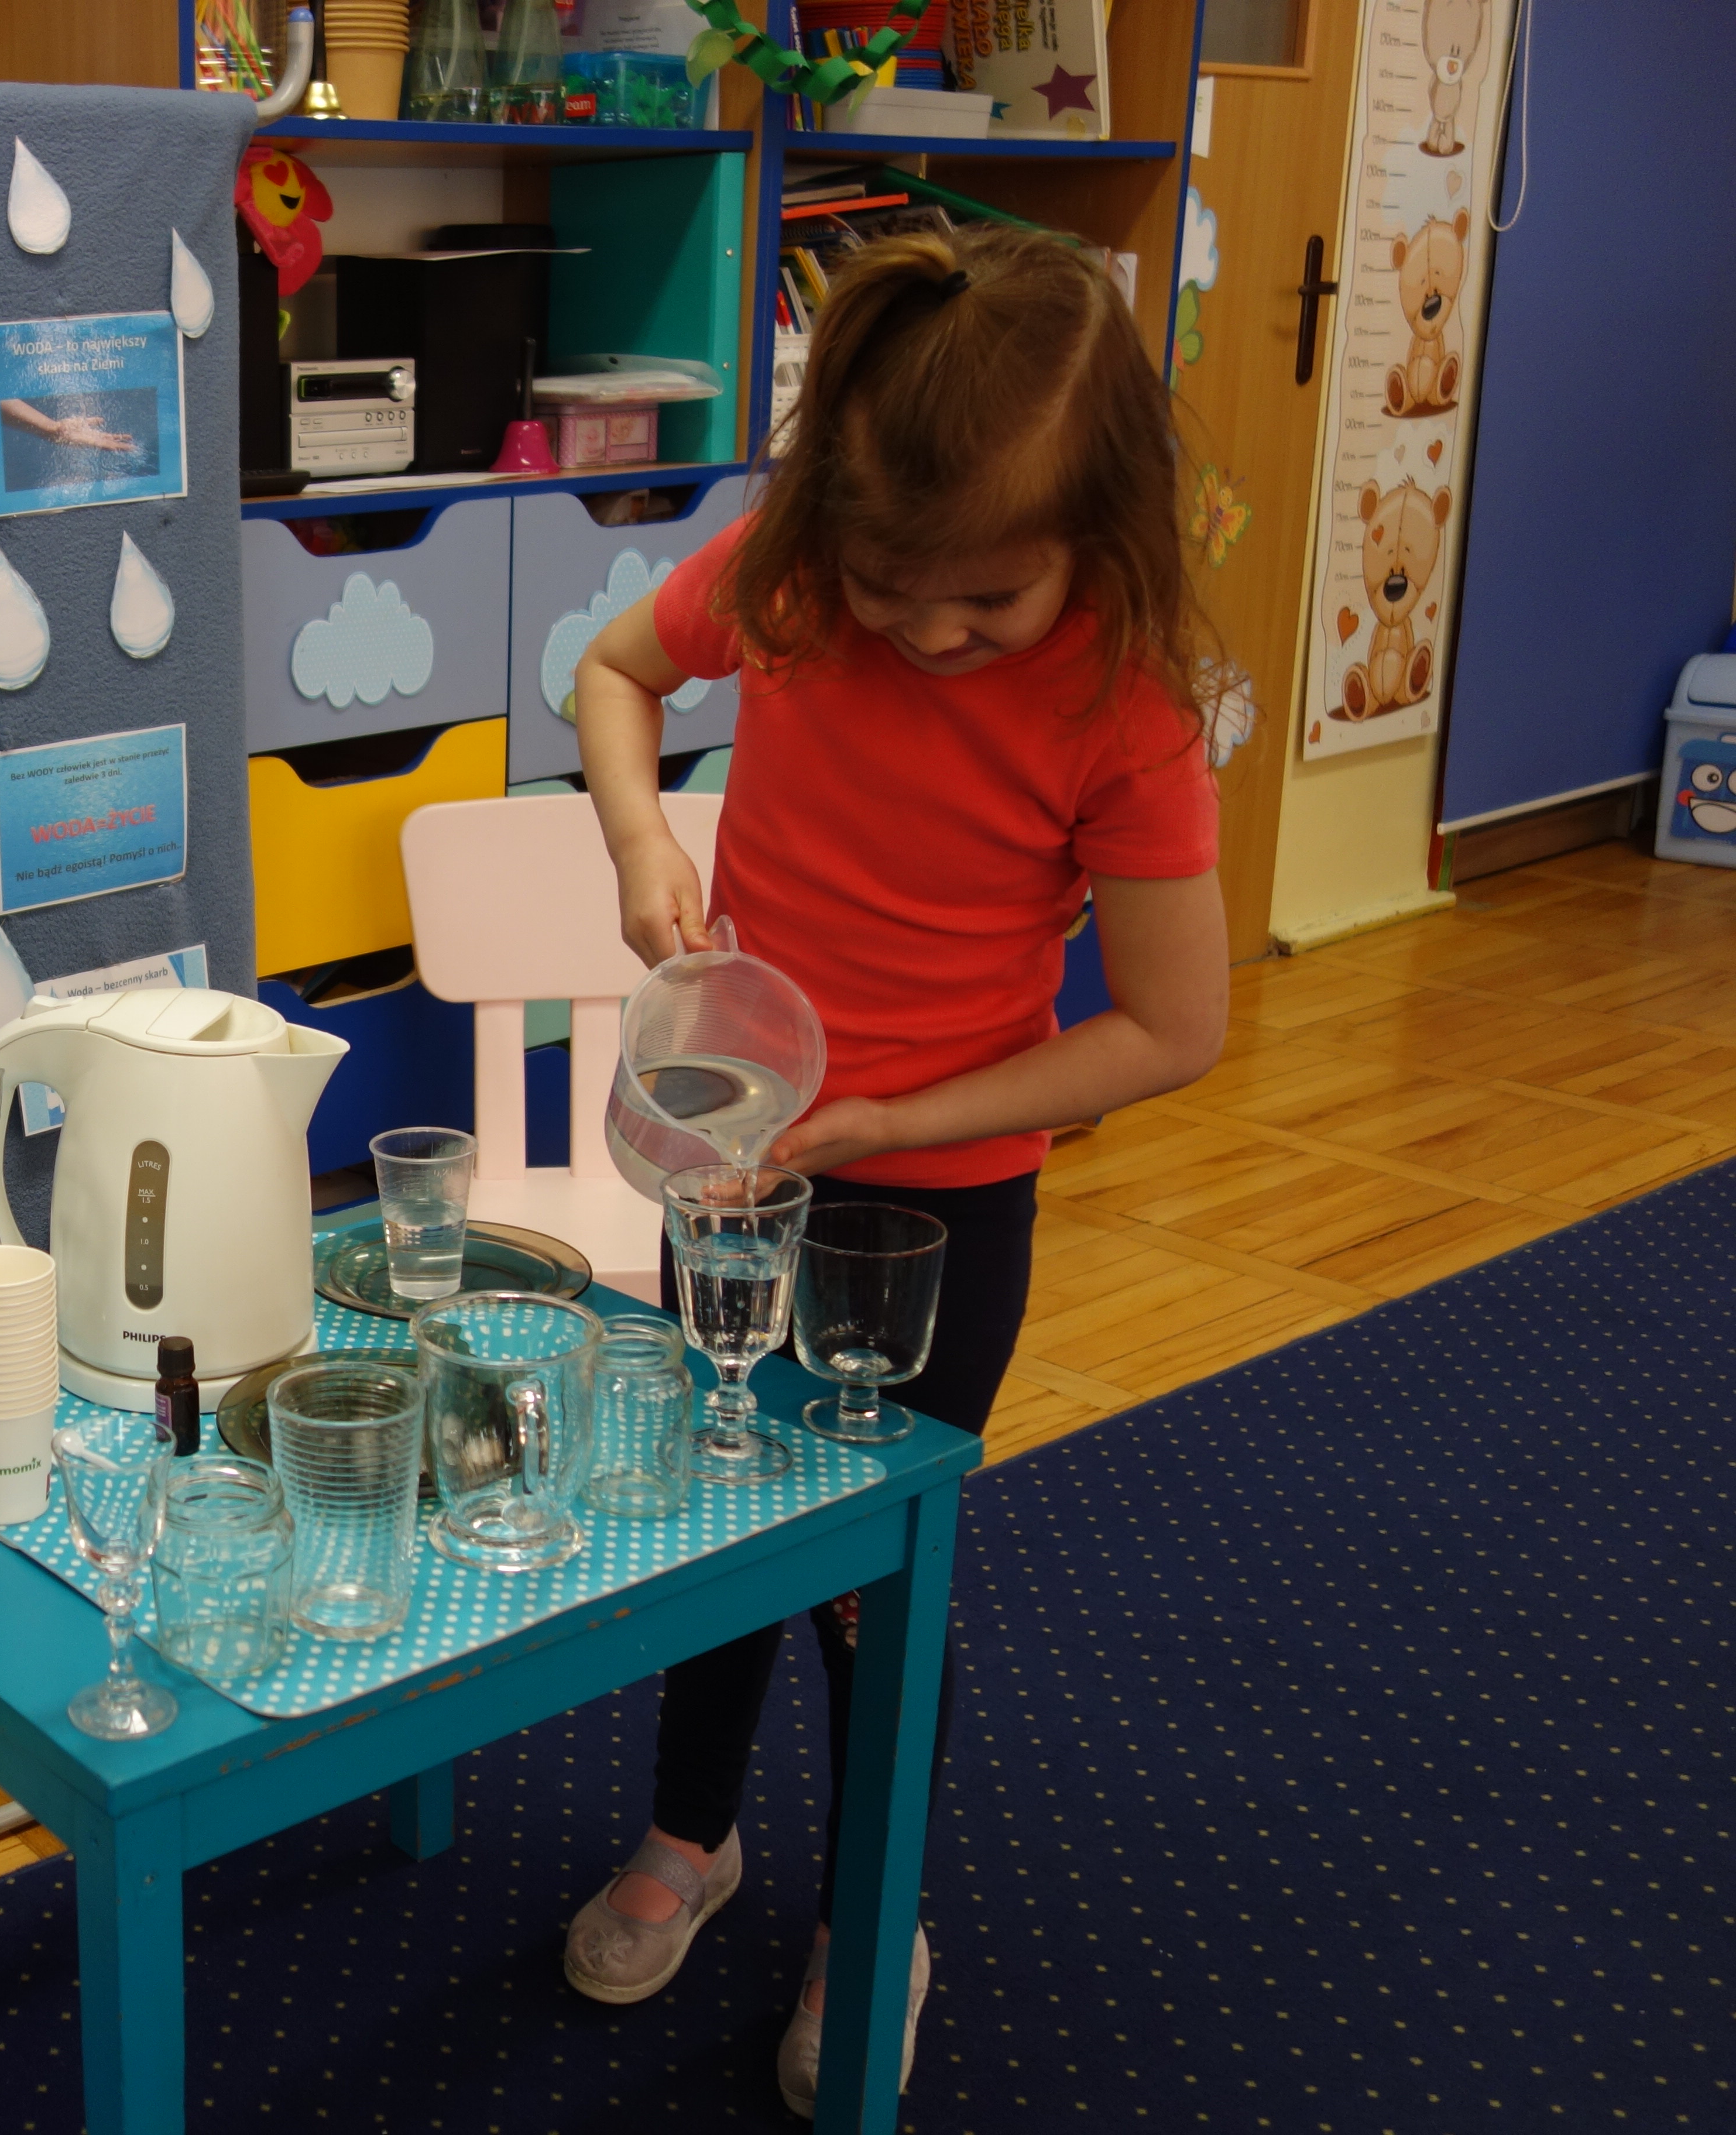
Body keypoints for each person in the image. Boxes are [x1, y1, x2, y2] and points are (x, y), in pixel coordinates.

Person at [558, 226, 1230, 2117]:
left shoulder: (1124, 709)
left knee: (872, 1587)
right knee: (710, 1525)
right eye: (890, 589)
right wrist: (641, 844)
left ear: (1098, 534)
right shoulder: (789, 587)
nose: (930, 635)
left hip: (939, 1207)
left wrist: (900, 1123)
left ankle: (874, 1911)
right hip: (740, 1160)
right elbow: (614, 669)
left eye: (989, 601)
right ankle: (693, 1835)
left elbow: (1172, 1030)